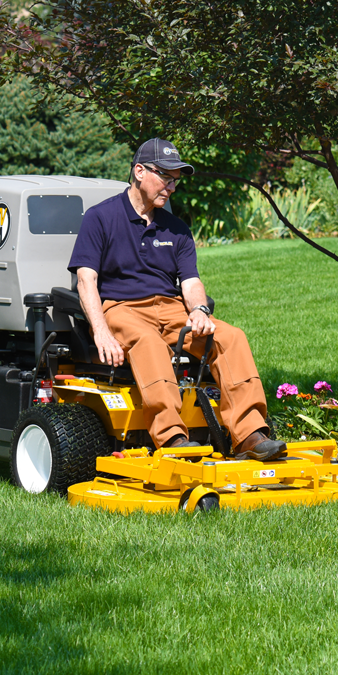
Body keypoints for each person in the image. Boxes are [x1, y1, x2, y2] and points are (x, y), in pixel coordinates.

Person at [68, 138, 287, 460]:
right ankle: (171, 438)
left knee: (230, 337)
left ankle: (250, 434)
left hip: (170, 308)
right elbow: (86, 279)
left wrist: (199, 310)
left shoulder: (177, 228)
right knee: (149, 342)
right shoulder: (100, 217)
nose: (171, 187)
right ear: (139, 172)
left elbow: (191, 281)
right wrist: (100, 331)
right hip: (121, 308)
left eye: (175, 180)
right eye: (165, 177)